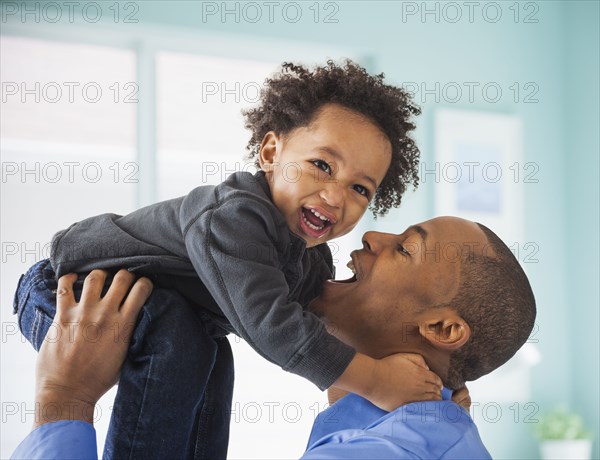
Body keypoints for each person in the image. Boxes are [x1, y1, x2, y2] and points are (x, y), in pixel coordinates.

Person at [13, 60, 439, 459]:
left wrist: (430, 378)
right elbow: (275, 329)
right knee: (178, 338)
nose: (335, 196)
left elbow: (327, 326)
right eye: (322, 165)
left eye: (360, 189)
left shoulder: (312, 262)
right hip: (71, 288)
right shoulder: (235, 216)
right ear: (271, 153)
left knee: (212, 358)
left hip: (165, 309)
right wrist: (376, 380)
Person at [11, 216, 536, 459]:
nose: (373, 236)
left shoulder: (380, 452)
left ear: (442, 330)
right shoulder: (425, 436)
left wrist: (66, 402)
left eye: (404, 249)